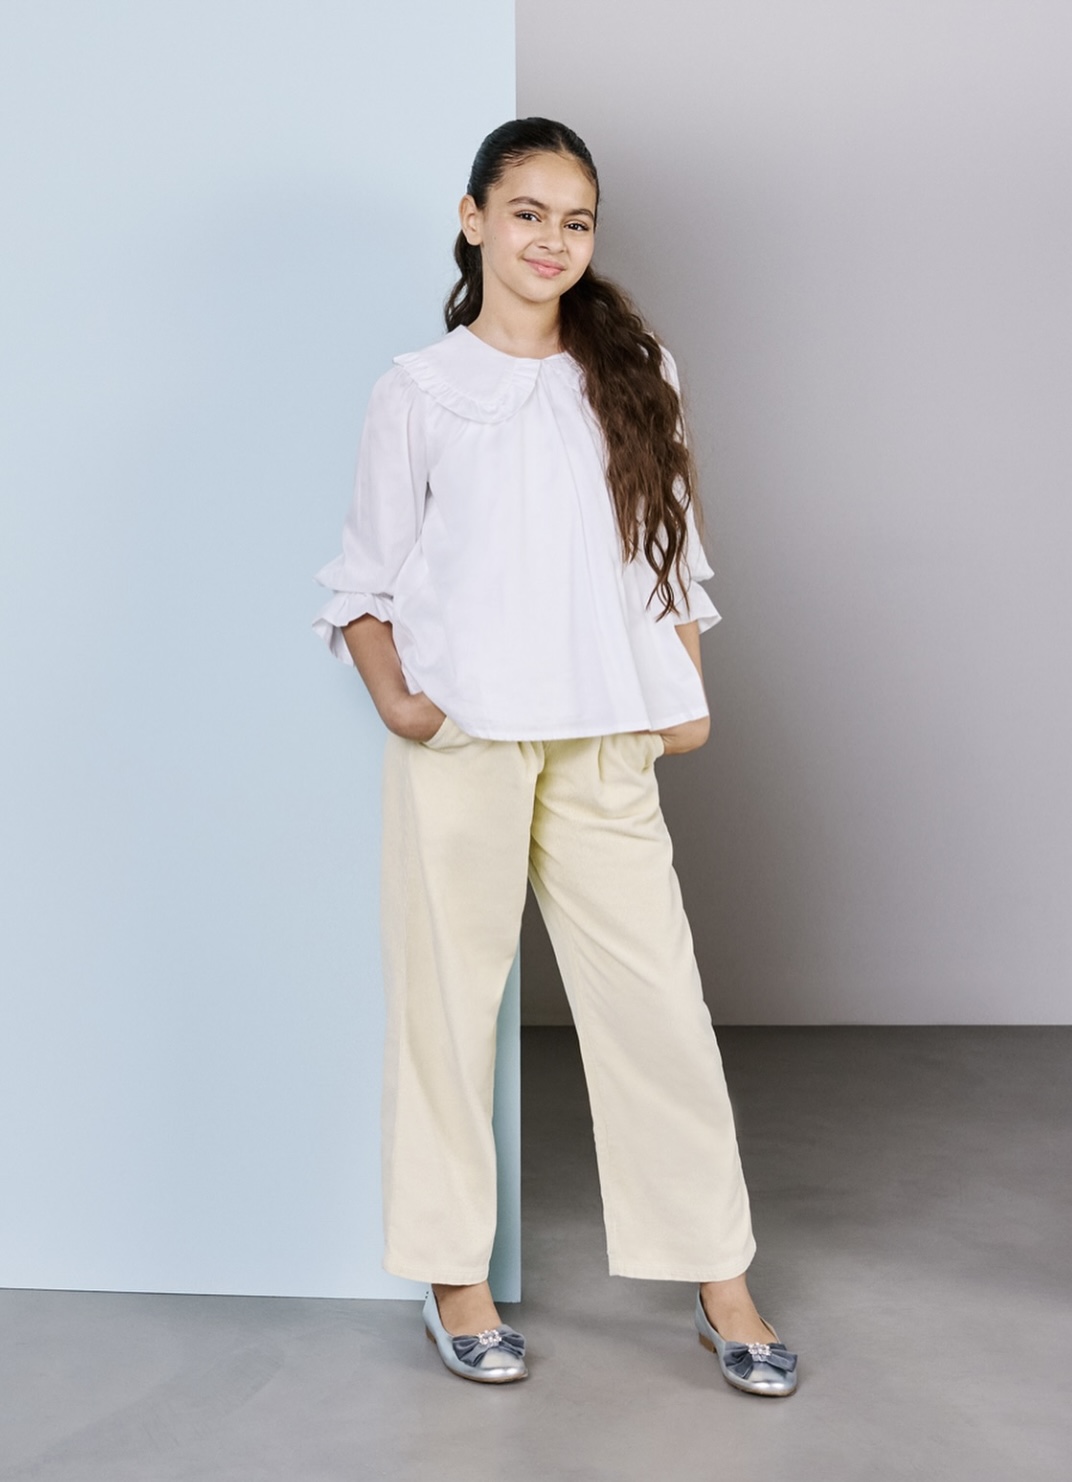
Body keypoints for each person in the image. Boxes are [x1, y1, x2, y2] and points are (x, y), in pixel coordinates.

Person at [312, 117, 799, 1397]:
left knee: (658, 1011)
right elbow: (362, 580)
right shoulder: (419, 390)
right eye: (527, 212)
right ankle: (451, 1279)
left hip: (599, 741)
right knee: (445, 1013)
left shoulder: (635, 374)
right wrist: (400, 704)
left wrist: (681, 695)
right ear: (473, 218)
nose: (551, 240)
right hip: (466, 738)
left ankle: (720, 1278)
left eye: (574, 221)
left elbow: (669, 548)